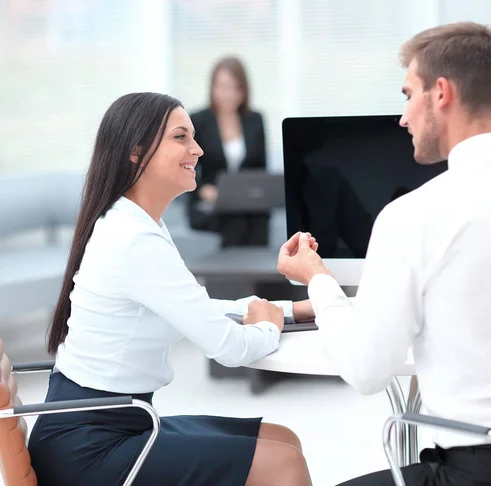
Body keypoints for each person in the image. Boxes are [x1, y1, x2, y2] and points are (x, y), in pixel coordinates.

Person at [277, 22, 491, 486]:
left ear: (441, 93)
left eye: (409, 94)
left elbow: (366, 371)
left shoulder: (412, 217)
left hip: (480, 472)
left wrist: (318, 279)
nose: (404, 117)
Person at [28, 92, 317, 486]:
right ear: (136, 152)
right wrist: (267, 327)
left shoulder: (137, 224)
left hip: (113, 425)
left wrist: (288, 310)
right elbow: (230, 348)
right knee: (281, 465)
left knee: (286, 442)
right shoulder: (134, 239)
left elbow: (190, 307)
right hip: (89, 448)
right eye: (181, 137)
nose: (197, 149)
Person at [188, 56, 270, 247]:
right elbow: (187, 165)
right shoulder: (198, 121)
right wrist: (202, 190)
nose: (229, 94)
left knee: (259, 217)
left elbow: (261, 170)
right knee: (235, 220)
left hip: (247, 202)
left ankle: (259, 275)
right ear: (213, 88)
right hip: (210, 202)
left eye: (236, 88)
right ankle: (236, 276)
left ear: (244, 91)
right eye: (223, 87)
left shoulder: (255, 120)